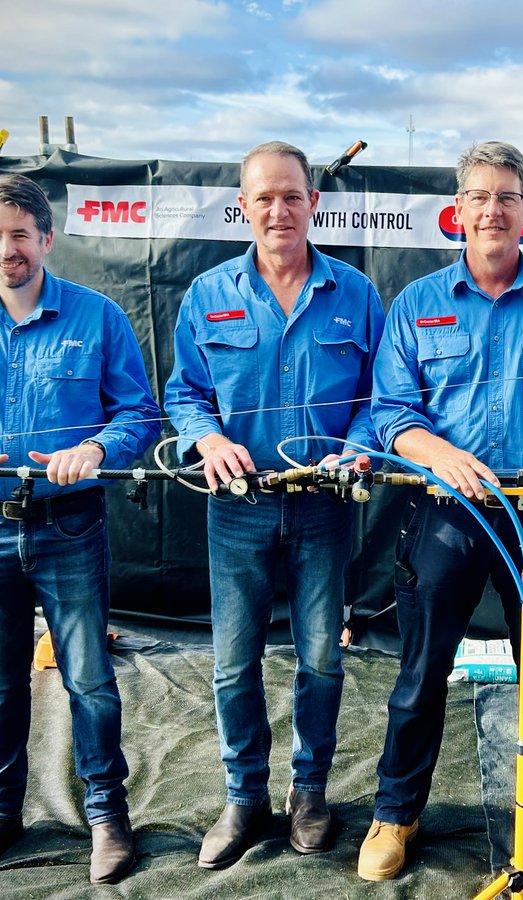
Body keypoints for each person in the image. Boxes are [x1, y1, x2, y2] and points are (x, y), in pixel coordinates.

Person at [359, 141, 523, 882]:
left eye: (508, 197)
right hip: (446, 510)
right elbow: (391, 412)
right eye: (480, 196)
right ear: (458, 211)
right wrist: (435, 453)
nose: (493, 209)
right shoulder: (417, 304)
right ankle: (395, 813)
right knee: (420, 670)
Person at [0, 174, 161, 884]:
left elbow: (139, 413)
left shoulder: (98, 317)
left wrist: (97, 449)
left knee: (91, 681)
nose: (6, 248)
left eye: (20, 234)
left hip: (71, 529)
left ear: (46, 237)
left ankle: (108, 817)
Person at [164, 141, 385, 866]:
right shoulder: (208, 295)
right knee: (234, 664)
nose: (278, 210)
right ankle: (244, 796)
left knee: (321, 658)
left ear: (313, 203)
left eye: (292, 196)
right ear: (244, 207)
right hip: (236, 508)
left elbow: (382, 400)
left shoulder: (354, 292)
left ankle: (311, 792)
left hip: (324, 510)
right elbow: (184, 394)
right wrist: (206, 440)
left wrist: (355, 446)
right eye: (264, 198)